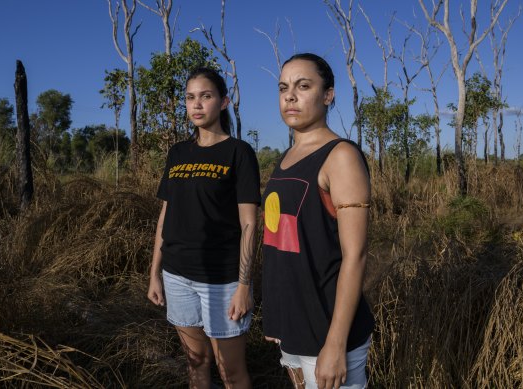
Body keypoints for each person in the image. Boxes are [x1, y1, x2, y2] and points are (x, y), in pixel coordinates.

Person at [261, 53, 375, 389]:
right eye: (283, 88)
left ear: (328, 95)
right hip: (294, 327)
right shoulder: (286, 158)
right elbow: (281, 243)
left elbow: (356, 255)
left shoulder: (341, 156)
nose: (290, 96)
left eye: (303, 86)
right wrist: (277, 317)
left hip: (328, 332)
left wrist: (336, 345)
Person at [147, 67, 260, 389]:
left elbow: (250, 223)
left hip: (222, 280)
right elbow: (165, 215)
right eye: (190, 98)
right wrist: (155, 272)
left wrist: (243, 285)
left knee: (231, 373)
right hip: (177, 275)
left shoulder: (238, 152)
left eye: (206, 96)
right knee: (196, 363)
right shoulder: (178, 153)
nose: (196, 105)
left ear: (223, 102)